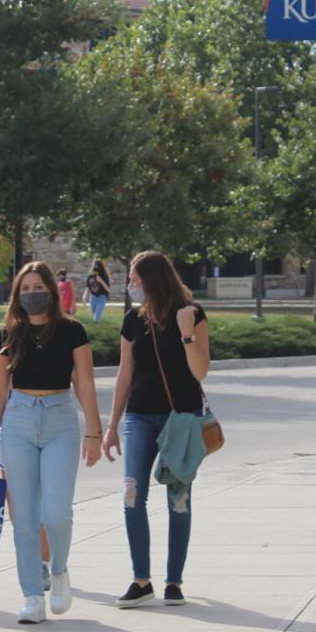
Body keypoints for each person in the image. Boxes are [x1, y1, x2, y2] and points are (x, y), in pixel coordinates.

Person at [0, 262, 103, 624]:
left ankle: (60, 570)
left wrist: (94, 432)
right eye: (24, 289)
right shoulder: (8, 333)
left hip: (59, 420)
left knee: (56, 513)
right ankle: (32, 596)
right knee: (24, 516)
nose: (31, 294)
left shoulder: (72, 331)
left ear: (51, 291)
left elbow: (85, 382)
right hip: (18, 421)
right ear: (16, 295)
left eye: (37, 287)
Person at [102, 250, 211, 608]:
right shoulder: (133, 320)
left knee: (179, 499)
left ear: (152, 280)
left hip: (181, 417)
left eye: (134, 279)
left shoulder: (191, 313)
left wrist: (186, 333)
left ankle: (174, 582)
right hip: (139, 417)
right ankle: (141, 580)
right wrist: (111, 426)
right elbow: (124, 374)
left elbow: (200, 371)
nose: (130, 286)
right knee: (132, 494)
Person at [0, 334, 52, 589]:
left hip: (49, 427)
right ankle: (34, 561)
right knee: (19, 502)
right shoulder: (6, 336)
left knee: (43, 501)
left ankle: (44, 561)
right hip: (11, 427)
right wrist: (10, 384)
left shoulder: (60, 333)